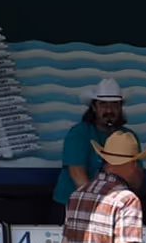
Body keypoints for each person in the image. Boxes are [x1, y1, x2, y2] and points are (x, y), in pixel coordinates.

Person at [51, 78, 129, 208]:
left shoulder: (128, 136)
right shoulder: (79, 133)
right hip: (73, 205)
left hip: (112, 205)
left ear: (120, 107)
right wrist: (98, 205)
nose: (109, 110)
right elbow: (77, 174)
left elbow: (135, 178)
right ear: (94, 107)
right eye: (103, 104)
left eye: (114, 104)